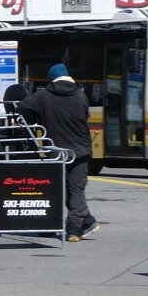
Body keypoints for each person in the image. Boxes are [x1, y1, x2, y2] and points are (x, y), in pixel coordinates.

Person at [18, 63, 99, 242]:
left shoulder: (42, 96)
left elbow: (21, 108)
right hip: (80, 150)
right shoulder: (81, 96)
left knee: (56, 190)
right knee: (76, 190)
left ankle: (54, 223)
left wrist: (34, 122)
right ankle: (76, 228)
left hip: (55, 152)